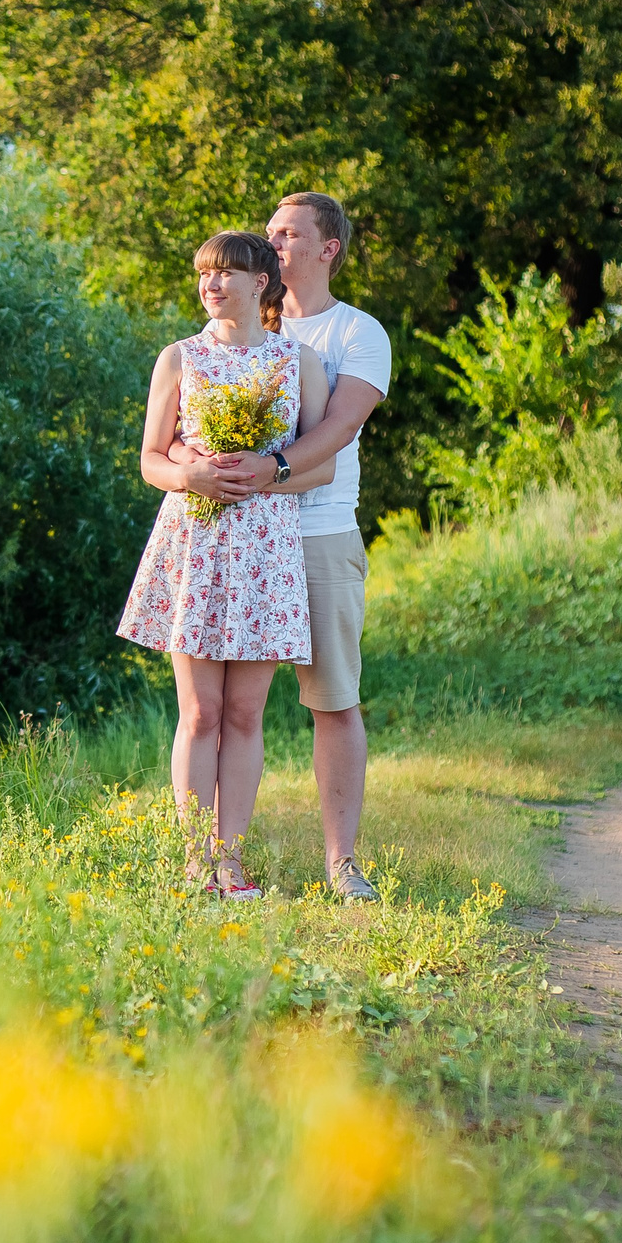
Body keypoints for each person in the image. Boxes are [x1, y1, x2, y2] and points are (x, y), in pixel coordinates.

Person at [177, 193, 390, 900]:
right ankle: (215, 859)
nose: (275, 243)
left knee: (331, 698)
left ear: (327, 248)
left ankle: (340, 864)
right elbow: (180, 421)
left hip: (319, 533)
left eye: (290, 233)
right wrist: (198, 467)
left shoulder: (356, 333)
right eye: (269, 233)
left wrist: (267, 471)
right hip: (236, 540)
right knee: (227, 711)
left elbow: (336, 432)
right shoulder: (237, 329)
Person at [117, 231, 331, 899]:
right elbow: (151, 458)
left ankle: (230, 863)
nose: (210, 285)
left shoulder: (299, 363)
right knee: (201, 713)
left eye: (224, 274)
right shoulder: (180, 357)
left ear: (260, 282)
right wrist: (193, 475)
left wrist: (261, 478)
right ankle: (191, 863)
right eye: (203, 274)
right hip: (198, 545)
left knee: (244, 715)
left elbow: (318, 463)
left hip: (267, 547)